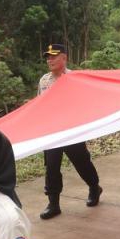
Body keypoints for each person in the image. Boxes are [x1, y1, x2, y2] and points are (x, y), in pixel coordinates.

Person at [38, 44, 102, 220]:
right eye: (47, 57)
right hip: (51, 132)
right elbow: (40, 105)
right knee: (51, 168)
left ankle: (94, 187)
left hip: (72, 132)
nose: (49, 60)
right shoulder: (44, 81)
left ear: (64, 58)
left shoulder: (75, 78)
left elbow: (85, 105)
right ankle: (53, 204)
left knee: (82, 163)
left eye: (53, 56)